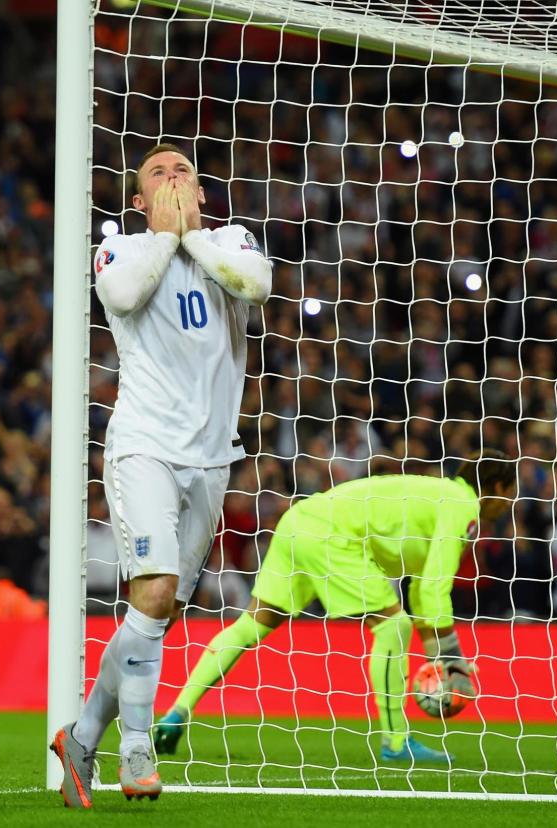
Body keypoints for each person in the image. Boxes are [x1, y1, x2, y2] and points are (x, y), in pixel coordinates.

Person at [50, 143, 272, 808]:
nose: (174, 180)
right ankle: (137, 751)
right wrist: (167, 237)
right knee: (155, 590)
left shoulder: (230, 240)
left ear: (203, 195)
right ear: (138, 202)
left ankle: (82, 735)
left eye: (185, 173)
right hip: (143, 446)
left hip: (212, 458)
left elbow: (255, 287)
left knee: (162, 609)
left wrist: (190, 237)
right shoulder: (120, 250)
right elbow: (121, 293)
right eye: (158, 175)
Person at [153, 450, 516, 765]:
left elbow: (423, 593)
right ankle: (396, 742)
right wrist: (453, 660)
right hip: (335, 536)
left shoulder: (437, 493)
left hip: (300, 519)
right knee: (394, 626)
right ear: (498, 489)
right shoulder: (463, 506)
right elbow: (435, 588)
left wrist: (442, 658)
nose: (508, 505)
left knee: (251, 625)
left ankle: (177, 712)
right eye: (509, 496)